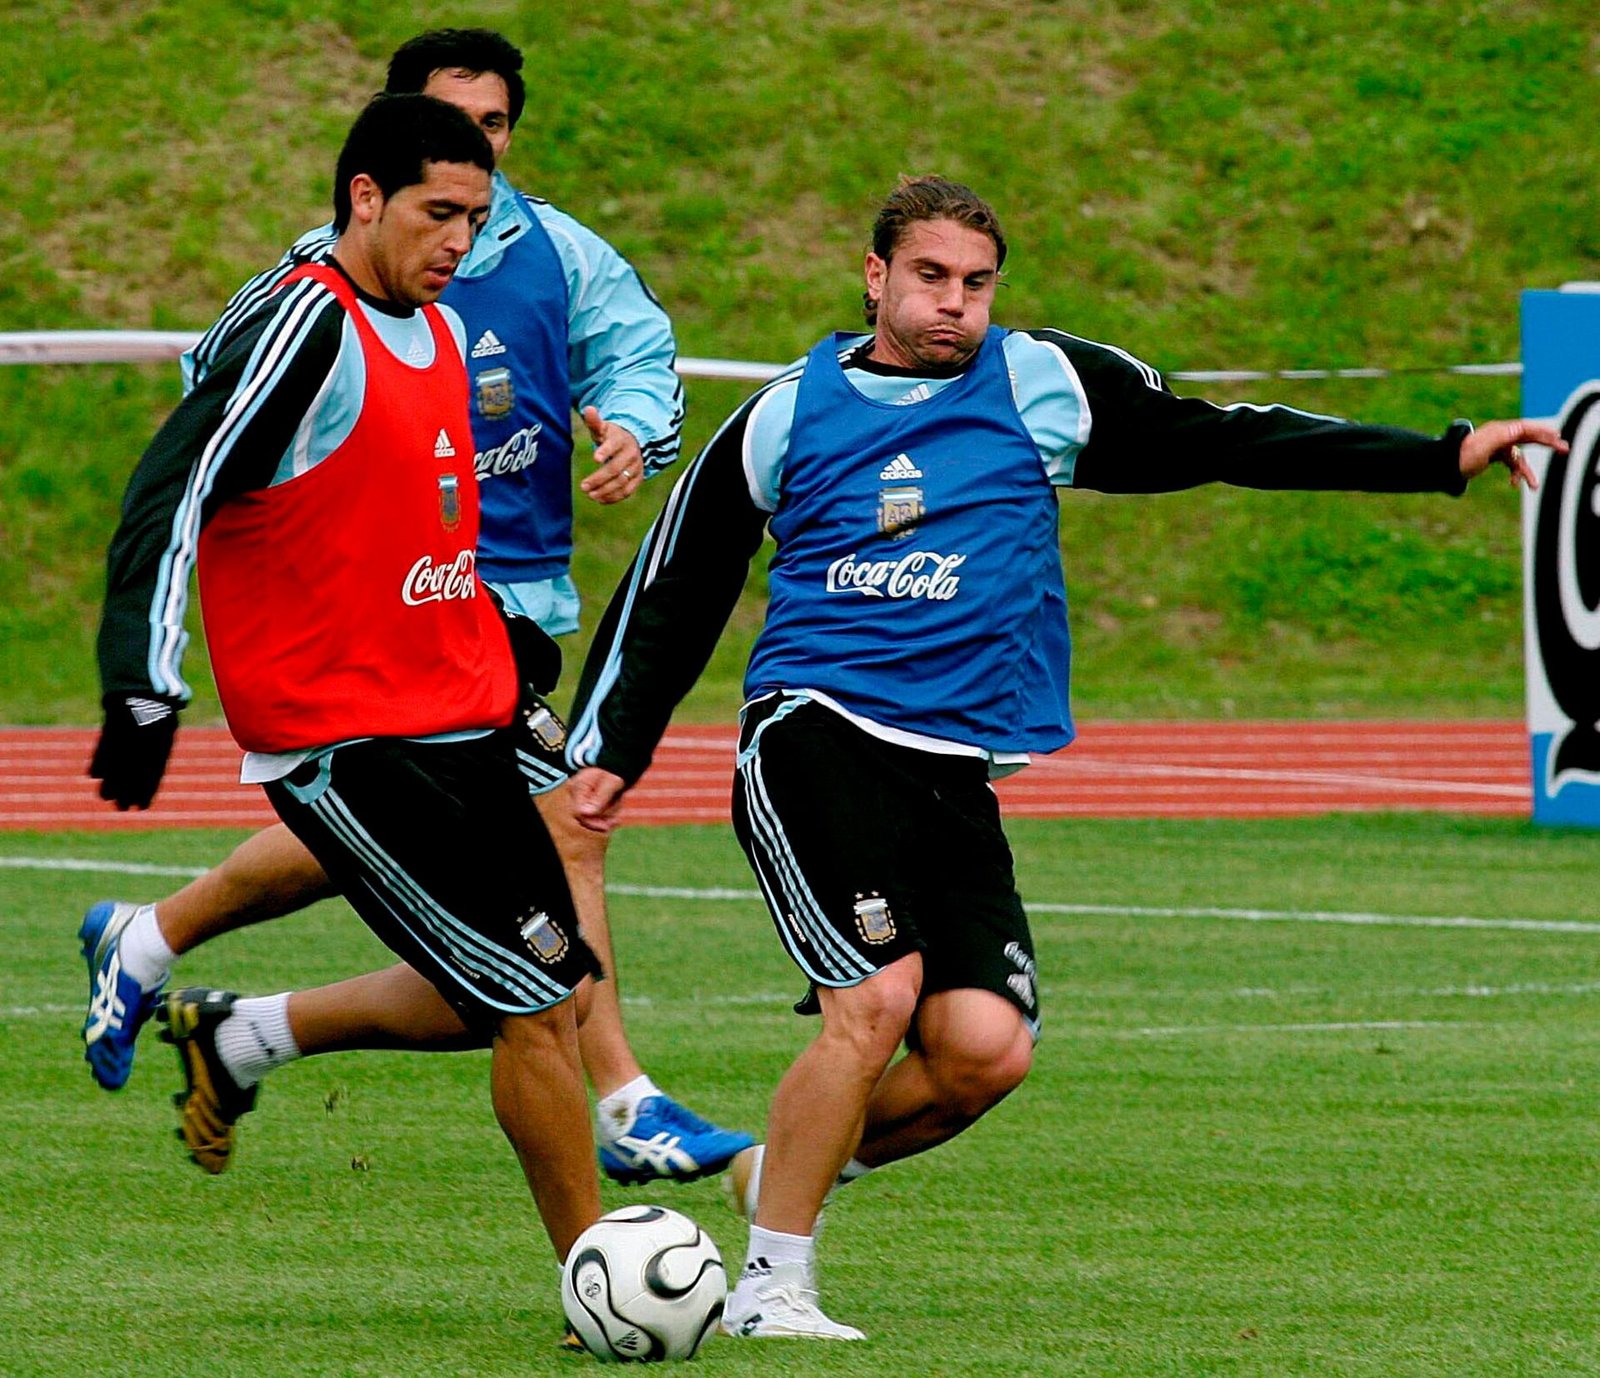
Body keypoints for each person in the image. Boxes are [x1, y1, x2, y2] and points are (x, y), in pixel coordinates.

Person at [561, 174, 1563, 1340]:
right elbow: (679, 584)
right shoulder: (788, 414)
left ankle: (764, 1181)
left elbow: (1226, 440)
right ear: (874, 276)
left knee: (981, 1055)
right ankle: (773, 1286)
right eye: (929, 277)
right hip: (816, 733)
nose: (953, 305)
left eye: (976, 284)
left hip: (952, 773)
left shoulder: (1043, 385)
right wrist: (610, 746)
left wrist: (1438, 456)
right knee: (876, 997)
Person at [79, 28, 750, 1187]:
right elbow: (205, 450)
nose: (465, 214)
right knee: (551, 874)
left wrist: (633, 421)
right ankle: (623, 1108)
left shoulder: (527, 267)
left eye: (490, 138)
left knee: (480, 940)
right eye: (444, 164)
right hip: (371, 671)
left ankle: (215, 1000)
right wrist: (147, 674)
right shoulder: (313, 297)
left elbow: (638, 351)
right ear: (373, 178)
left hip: (493, 625)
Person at [91, 91, 603, 1267]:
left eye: (474, 219)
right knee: (531, 999)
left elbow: (399, 525)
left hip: (455, 708)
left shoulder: (437, 323)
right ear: (364, 197)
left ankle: (242, 1036)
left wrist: (493, 642)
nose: (457, 242)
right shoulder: (305, 327)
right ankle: (598, 1277)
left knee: (541, 993)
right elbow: (171, 489)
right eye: (437, 213)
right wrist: (142, 680)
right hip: (345, 738)